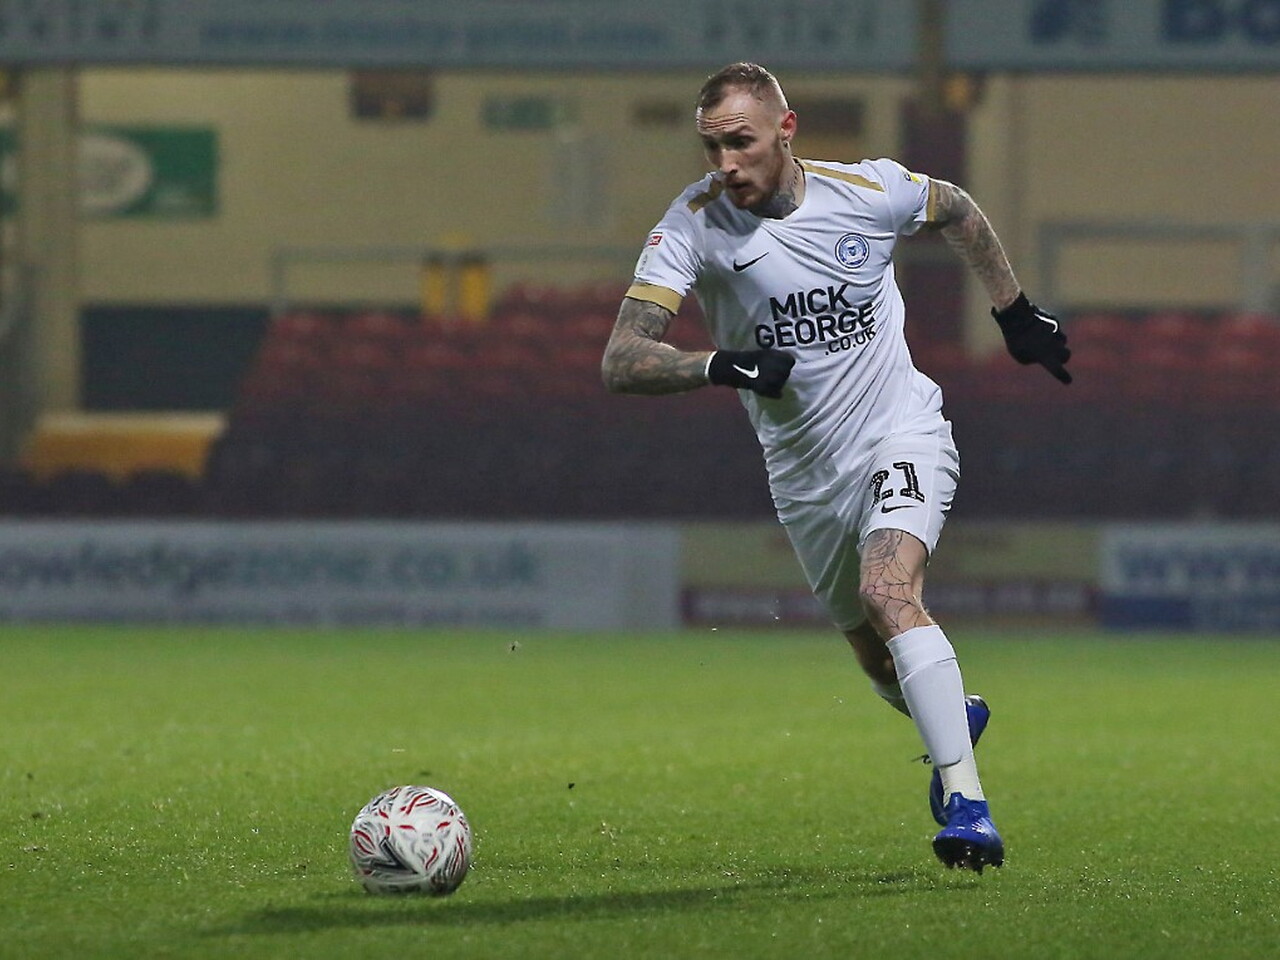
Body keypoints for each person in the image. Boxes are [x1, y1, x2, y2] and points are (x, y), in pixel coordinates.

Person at [601, 62, 1070, 873]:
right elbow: (622, 358)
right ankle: (951, 714)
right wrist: (721, 365)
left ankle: (968, 806)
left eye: (741, 142)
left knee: (888, 592)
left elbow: (957, 208)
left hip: (901, 432)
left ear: (786, 131)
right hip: (805, 477)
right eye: (712, 147)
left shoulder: (867, 190)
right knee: (877, 660)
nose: (725, 164)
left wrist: (1014, 311)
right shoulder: (693, 224)